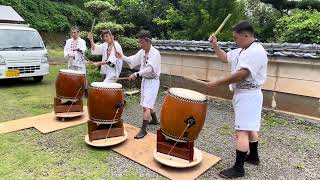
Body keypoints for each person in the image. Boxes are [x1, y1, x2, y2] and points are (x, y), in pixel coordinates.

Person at [207, 20, 268, 178]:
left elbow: (242, 74)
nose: (235, 41)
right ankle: (253, 157)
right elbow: (225, 57)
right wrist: (215, 46)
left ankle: (239, 169)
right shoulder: (243, 50)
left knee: (241, 131)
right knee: (249, 128)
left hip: (249, 95)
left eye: (236, 38)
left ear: (246, 35)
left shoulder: (256, 51)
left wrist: (218, 82)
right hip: (245, 95)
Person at [116, 30, 161, 139]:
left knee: (146, 106)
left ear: (148, 41)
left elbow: (150, 68)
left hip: (153, 81)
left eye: (142, 42)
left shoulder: (155, 53)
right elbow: (132, 60)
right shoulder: (142, 52)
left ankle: (143, 130)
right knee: (147, 103)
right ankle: (155, 120)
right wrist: (122, 56)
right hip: (145, 81)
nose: (140, 45)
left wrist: (136, 73)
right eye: (139, 42)